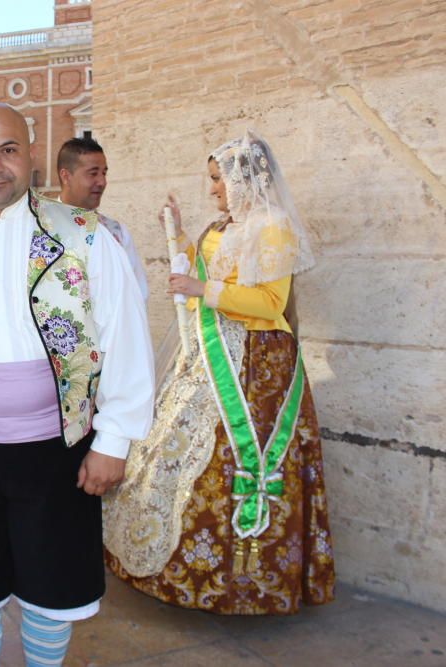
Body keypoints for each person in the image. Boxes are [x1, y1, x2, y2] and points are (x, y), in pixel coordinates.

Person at [0, 103, 154, 666]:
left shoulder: (89, 239)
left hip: (58, 452)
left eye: (8, 150)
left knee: (53, 590)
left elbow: (125, 339)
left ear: (32, 155)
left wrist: (113, 440)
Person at [105, 131, 335, 614]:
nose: (212, 189)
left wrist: (199, 288)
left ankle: (248, 584)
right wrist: (178, 230)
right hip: (211, 358)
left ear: (244, 177)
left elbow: (269, 302)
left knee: (236, 463)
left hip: (258, 366)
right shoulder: (222, 227)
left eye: (217, 179)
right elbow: (203, 267)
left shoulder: (273, 227)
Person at [57, 137, 148, 300]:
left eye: (104, 173)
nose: (101, 182)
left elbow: (137, 293)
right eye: (93, 174)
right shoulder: (39, 228)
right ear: (66, 176)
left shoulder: (116, 233)